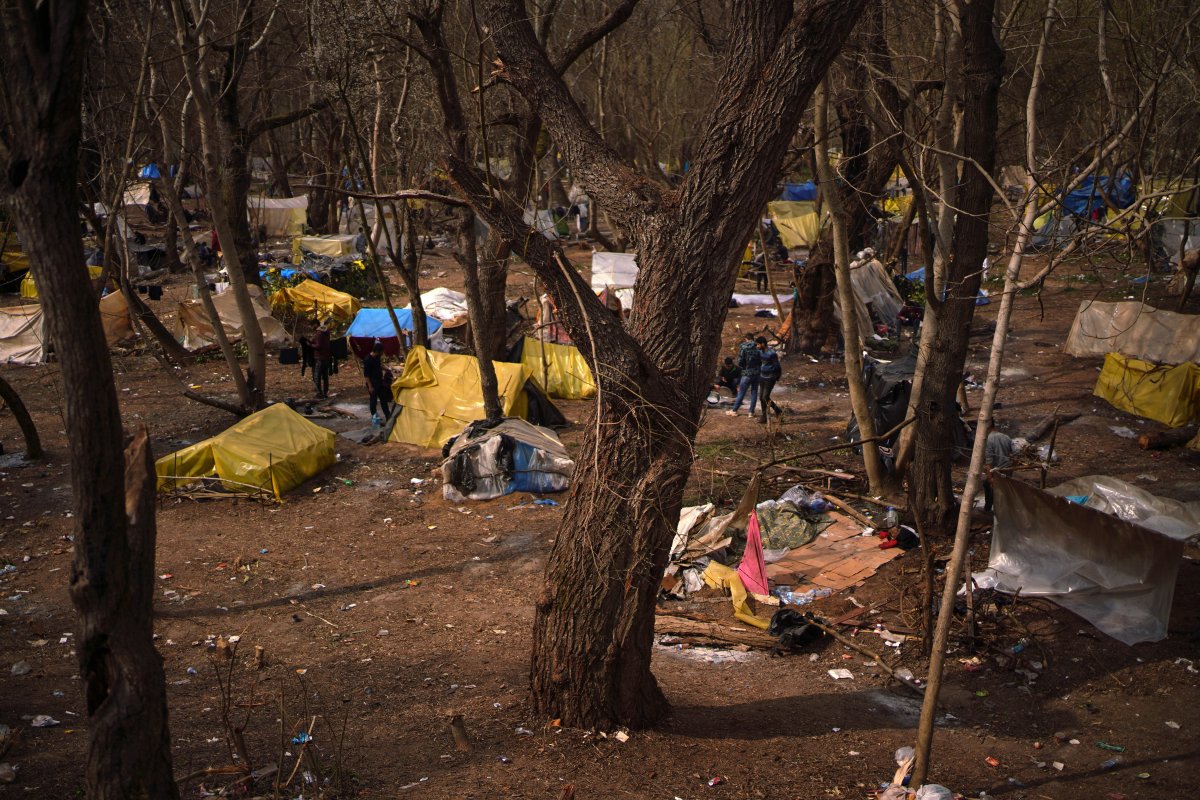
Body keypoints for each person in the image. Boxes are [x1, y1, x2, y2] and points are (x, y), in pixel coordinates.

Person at [726, 333, 761, 417]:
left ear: (746, 339)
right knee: (754, 392)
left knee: (741, 392)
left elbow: (740, 361)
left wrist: (743, 365)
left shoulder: (744, 347)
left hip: (746, 373)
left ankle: (734, 410)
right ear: (753, 338)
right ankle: (751, 412)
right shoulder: (758, 347)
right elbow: (761, 360)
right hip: (756, 373)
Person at [983, 420, 1014, 513]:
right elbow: (1014, 454)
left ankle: (989, 509)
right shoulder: (1006, 437)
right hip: (1007, 469)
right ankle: (1003, 509)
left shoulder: (988, 439)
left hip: (996, 471)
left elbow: (989, 460)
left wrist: (990, 477)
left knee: (990, 486)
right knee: (1004, 489)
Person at [755, 337, 784, 422]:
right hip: (762, 376)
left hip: (770, 378)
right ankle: (764, 417)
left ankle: (778, 411)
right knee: (761, 397)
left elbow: (777, 366)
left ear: (763, 344)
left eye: (758, 344)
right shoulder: (760, 352)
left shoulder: (772, 353)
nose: (757, 346)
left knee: (765, 397)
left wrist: (777, 376)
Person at [362, 341, 392, 421]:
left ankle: (388, 416)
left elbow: (379, 365)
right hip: (372, 383)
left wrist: (386, 369)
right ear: (378, 351)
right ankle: (374, 416)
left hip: (379, 381)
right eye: (381, 352)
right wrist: (370, 387)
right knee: (373, 400)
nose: (382, 353)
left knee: (383, 399)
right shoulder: (368, 360)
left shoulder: (377, 357)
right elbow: (366, 375)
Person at [312, 323, 332, 398]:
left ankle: (319, 393)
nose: (311, 327)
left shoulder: (319, 333)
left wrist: (310, 345)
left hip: (320, 357)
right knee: (325, 376)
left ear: (315, 324)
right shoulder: (326, 332)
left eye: (312, 325)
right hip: (326, 357)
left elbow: (318, 346)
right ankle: (325, 392)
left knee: (317, 376)